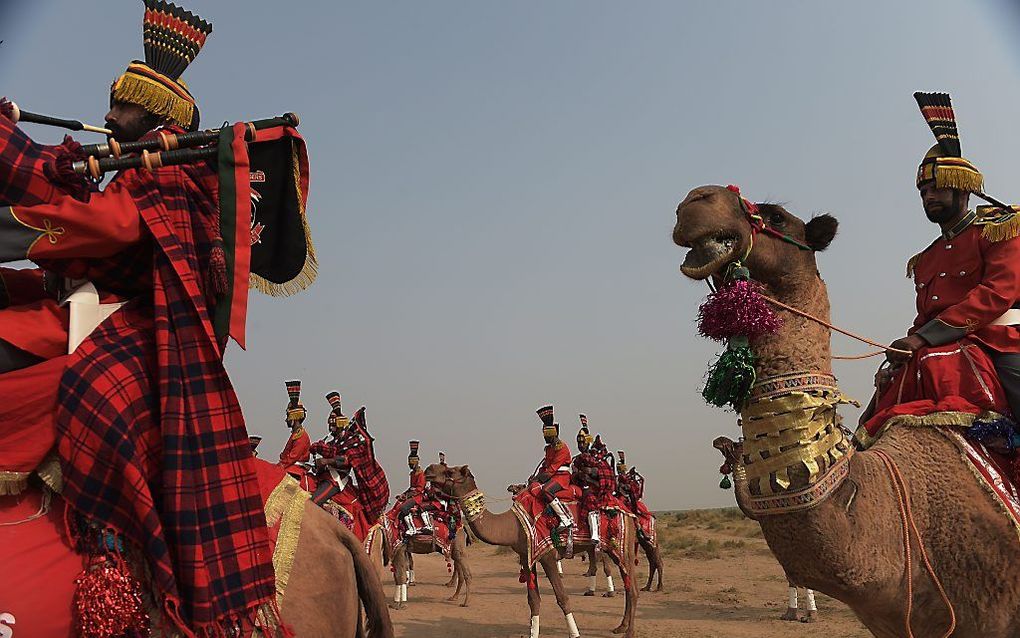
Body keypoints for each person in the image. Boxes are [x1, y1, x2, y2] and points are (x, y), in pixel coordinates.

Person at [0, 1, 314, 633]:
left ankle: (115, 553)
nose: (109, 117)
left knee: (97, 401)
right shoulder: (124, 171)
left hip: (141, 326)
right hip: (89, 308)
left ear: (157, 117)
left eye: (123, 109)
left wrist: (14, 154)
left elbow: (105, 229)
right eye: (112, 105)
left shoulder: (166, 175)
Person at [867, 92, 1020, 433]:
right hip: (938, 346)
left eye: (936, 189)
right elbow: (925, 316)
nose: (929, 197)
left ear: (962, 191)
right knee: (874, 415)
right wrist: (908, 345)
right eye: (923, 193)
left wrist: (924, 338)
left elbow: (998, 292)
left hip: (999, 340)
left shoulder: (999, 229)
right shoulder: (925, 259)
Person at [523, 405, 574, 531]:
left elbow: (550, 471)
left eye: (545, 435)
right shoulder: (550, 448)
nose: (544, 438)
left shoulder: (561, 448)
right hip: (553, 475)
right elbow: (544, 467)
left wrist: (538, 478)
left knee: (546, 490)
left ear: (550, 434)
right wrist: (534, 479)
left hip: (561, 477)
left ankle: (566, 519)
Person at [278, 379, 312, 474]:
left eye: (288, 417)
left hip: (295, 470)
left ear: (294, 417)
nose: (286, 420)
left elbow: (292, 458)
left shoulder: (301, 435)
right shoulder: (295, 434)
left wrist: (278, 467)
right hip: (289, 467)